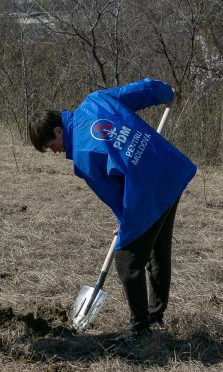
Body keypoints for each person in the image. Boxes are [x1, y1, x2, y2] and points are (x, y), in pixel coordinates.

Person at [27, 78, 196, 346]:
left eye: (50, 146)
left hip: (148, 190)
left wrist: (125, 223)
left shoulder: (83, 155)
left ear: (58, 131)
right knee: (157, 249)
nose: (54, 152)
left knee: (127, 263)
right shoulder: (96, 101)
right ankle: (156, 317)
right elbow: (143, 91)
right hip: (169, 170)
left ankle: (140, 330)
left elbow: (114, 194)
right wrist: (168, 94)